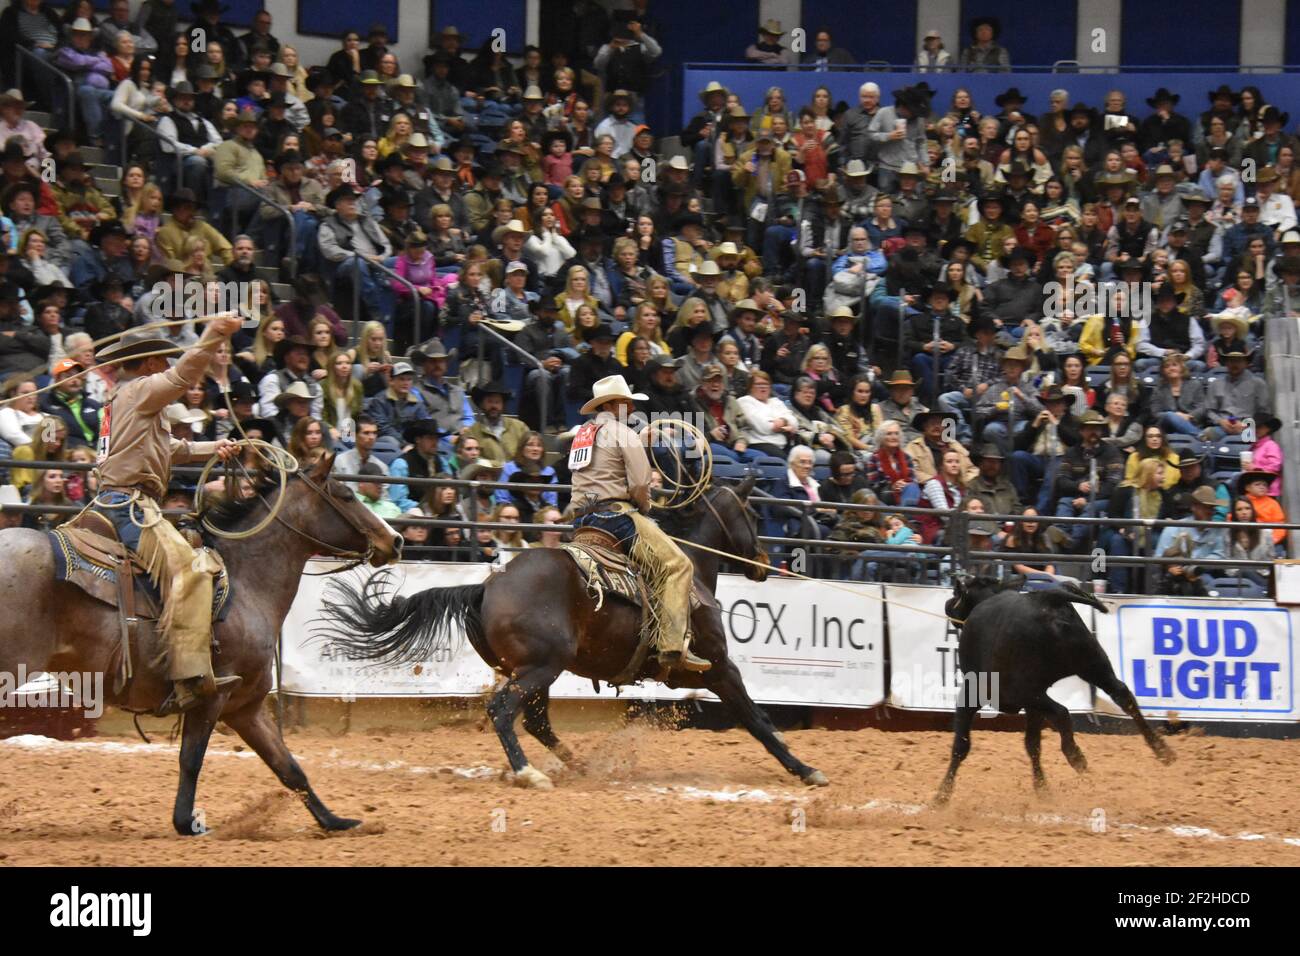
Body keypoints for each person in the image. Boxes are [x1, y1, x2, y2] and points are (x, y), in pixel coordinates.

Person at [90, 318, 244, 716]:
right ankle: (189, 676)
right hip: (129, 506)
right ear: (146, 364)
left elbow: (172, 448)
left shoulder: (122, 401)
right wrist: (214, 335)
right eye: (160, 359)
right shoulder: (142, 391)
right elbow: (184, 374)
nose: (164, 365)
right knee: (190, 570)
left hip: (111, 501)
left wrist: (216, 447)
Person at [567, 374, 707, 673]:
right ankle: (671, 646)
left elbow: (600, 466)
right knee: (678, 565)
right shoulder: (623, 433)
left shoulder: (583, 433)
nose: (631, 409)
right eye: (627, 403)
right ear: (614, 404)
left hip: (582, 519)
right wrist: (644, 508)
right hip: (615, 518)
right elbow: (641, 484)